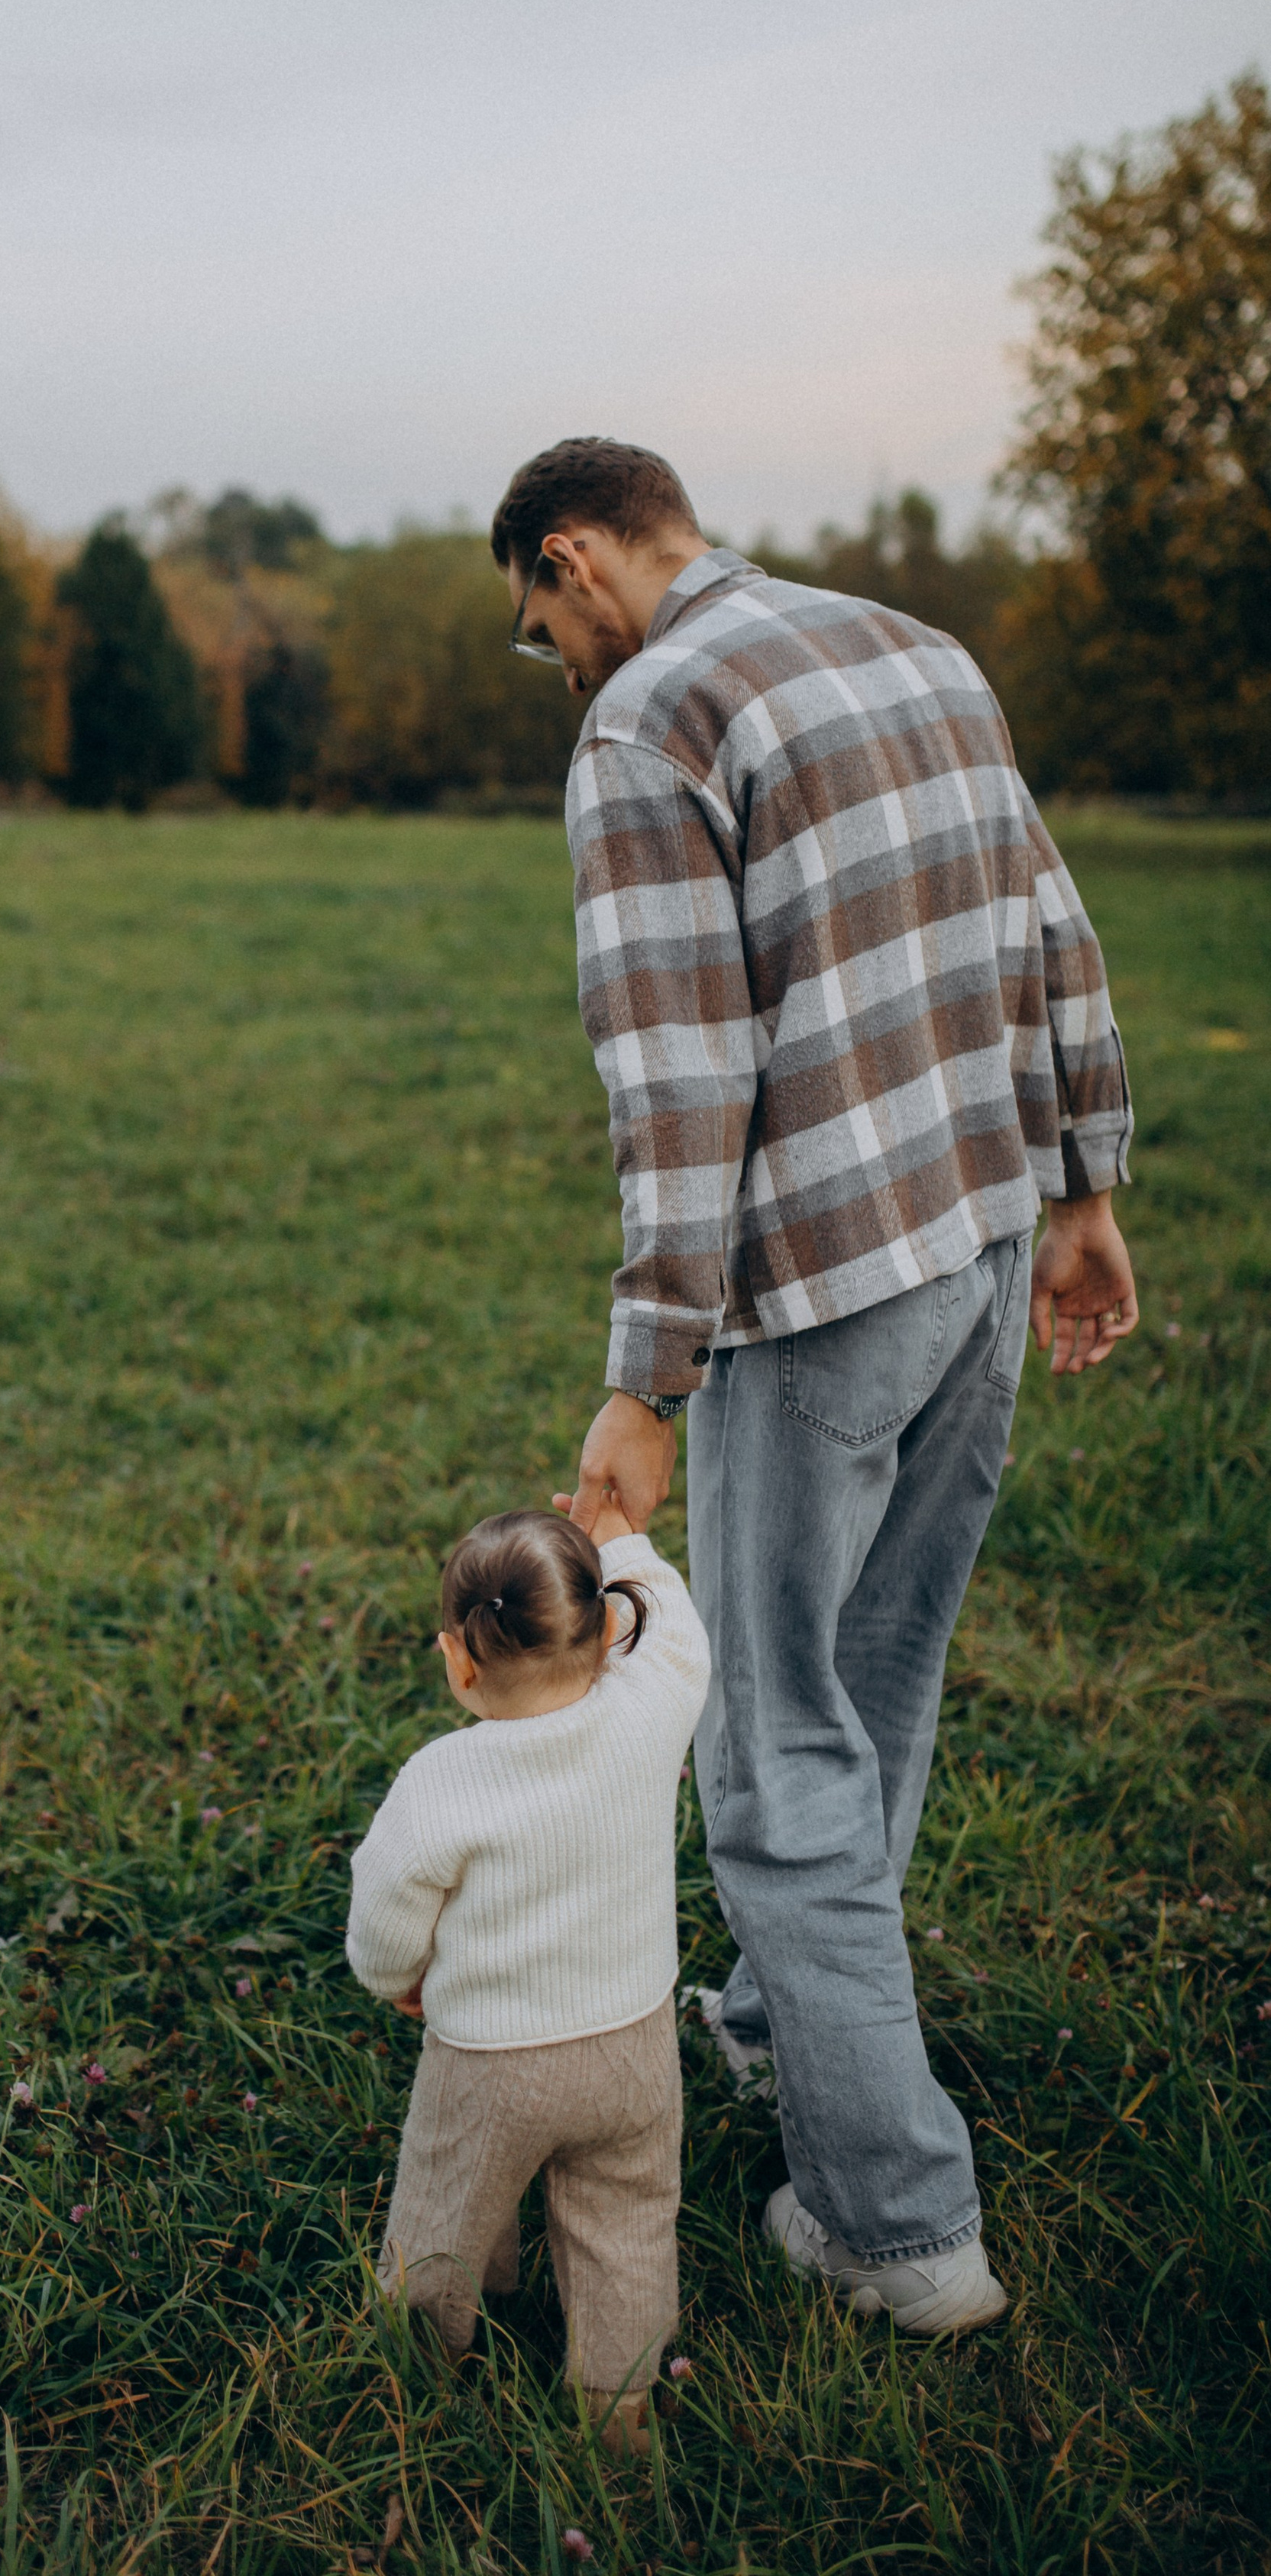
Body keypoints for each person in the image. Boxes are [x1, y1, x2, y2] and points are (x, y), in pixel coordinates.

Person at [490, 438, 1137, 2336]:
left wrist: (643, 1382)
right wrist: (1084, 1190)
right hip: (979, 1241)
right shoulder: (911, 643)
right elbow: (1050, 930)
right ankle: (780, 2018)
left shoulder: (640, 725)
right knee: (875, 1676)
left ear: (575, 555)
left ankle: (894, 2226)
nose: (553, 660)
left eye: (540, 623)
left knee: (775, 1755)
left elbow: (676, 1084)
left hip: (818, 1291)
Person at [348, 1508, 709, 2461]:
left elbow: (382, 1920)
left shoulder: (440, 1780)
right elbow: (677, 1628)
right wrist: (620, 1535)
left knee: (447, 2207)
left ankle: (422, 2363)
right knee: (626, 2216)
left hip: (492, 2062)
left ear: (457, 1660)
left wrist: (399, 1980)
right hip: (631, 2045)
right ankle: (620, 2406)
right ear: (605, 1631)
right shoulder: (649, 1707)